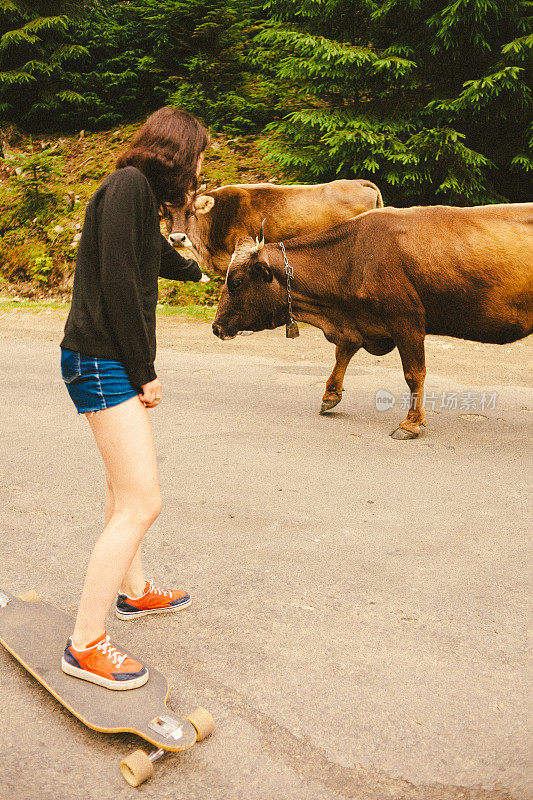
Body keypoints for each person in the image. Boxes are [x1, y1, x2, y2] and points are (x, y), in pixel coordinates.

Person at [59, 107, 209, 689]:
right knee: (142, 502)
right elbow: (121, 279)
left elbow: (155, 258)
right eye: (198, 157)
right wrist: (145, 371)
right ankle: (86, 644)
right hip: (103, 361)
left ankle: (135, 592)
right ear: (176, 152)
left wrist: (202, 270)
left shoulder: (138, 195)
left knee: (122, 488)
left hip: (104, 359)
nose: (200, 168)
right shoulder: (126, 187)